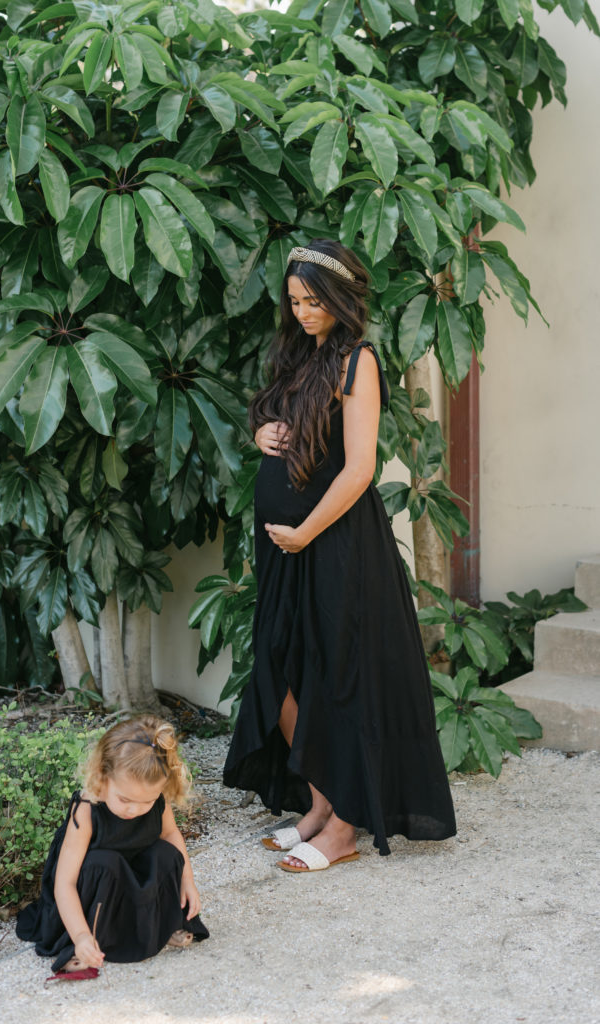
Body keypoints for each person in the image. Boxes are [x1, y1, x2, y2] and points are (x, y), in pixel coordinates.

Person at [223, 239, 456, 872]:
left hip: (337, 546)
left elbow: (357, 470)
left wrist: (306, 533)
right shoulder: (299, 353)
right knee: (286, 671)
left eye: (312, 302)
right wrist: (260, 429)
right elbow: (278, 419)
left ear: (341, 299)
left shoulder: (359, 361)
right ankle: (324, 803)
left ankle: (346, 826)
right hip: (285, 551)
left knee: (338, 676)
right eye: (294, 301)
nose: (301, 312)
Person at [16, 715, 209, 973]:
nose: (135, 810)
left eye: (146, 801)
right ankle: (90, 941)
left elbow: (172, 835)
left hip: (133, 881)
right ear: (102, 777)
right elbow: (66, 883)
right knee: (105, 862)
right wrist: (80, 935)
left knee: (167, 853)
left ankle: (161, 926)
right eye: (125, 799)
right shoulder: (87, 809)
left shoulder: (155, 798)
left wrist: (188, 881)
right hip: (95, 890)